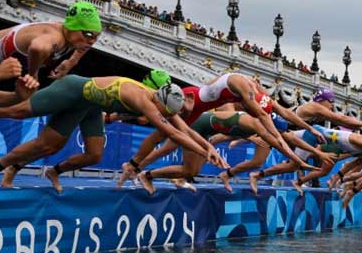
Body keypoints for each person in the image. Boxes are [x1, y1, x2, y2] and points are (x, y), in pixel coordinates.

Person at [0, 75, 228, 194]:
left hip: (90, 106)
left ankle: (51, 171)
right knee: (19, 113)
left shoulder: (159, 101)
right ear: (161, 103)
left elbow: (183, 128)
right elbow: (170, 130)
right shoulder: (144, 99)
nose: (167, 116)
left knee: (92, 154)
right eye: (166, 112)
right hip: (72, 90)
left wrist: (208, 148)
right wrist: (205, 151)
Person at [117, 72, 326, 187]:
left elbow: (284, 113)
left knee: (182, 159)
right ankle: (134, 164)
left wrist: (311, 129)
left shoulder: (258, 92)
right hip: (190, 106)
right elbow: (272, 131)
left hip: (200, 111)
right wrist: (299, 161)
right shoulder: (252, 105)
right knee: (161, 134)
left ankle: (141, 169)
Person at [0, 1, 101, 81]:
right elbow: (38, 48)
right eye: (88, 34)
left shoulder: (75, 38)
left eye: (96, 36)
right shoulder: (55, 37)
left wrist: (72, 61)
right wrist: (33, 74)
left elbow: (84, 45)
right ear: (73, 27)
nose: (92, 41)